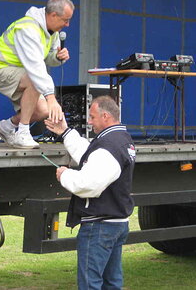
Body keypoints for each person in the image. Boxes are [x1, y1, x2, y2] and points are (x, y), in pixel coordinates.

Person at [45, 95, 136, 290]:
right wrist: (65, 132)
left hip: (100, 226)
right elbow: (91, 157)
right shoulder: (119, 139)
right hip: (115, 223)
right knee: (112, 282)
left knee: (90, 284)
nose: (89, 121)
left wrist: (65, 175)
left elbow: (89, 185)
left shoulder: (109, 146)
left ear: (105, 116)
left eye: (92, 117)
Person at [0, 0, 74, 149]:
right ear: (53, 15)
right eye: (65, 20)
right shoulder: (28, 29)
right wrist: (51, 98)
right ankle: (23, 133)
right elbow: (35, 68)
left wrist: (57, 57)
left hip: (20, 71)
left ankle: (7, 127)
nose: (68, 24)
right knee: (35, 80)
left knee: (44, 111)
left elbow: (48, 59)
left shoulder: (53, 32)